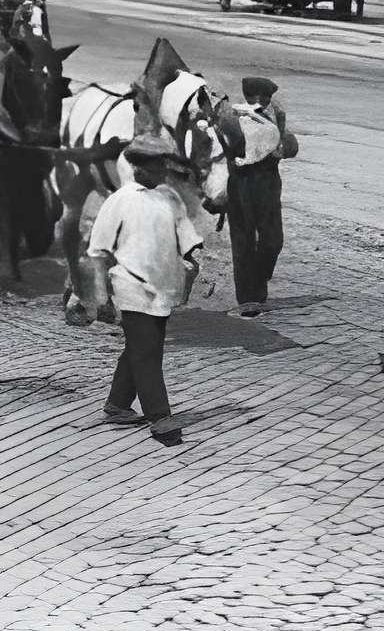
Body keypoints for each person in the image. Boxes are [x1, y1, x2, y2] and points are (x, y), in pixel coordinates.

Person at [85, 137, 198, 446]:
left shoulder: (170, 198)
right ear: (139, 167)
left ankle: (118, 404)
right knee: (147, 350)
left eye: (164, 164)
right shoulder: (120, 199)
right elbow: (97, 250)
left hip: (163, 287)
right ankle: (161, 419)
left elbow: (185, 237)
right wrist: (101, 295)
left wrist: (191, 260)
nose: (163, 170)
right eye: (157, 165)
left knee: (142, 346)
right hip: (129, 285)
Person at [214, 75, 300, 319]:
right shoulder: (232, 117)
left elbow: (290, 145)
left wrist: (282, 148)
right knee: (242, 246)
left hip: (269, 186)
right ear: (247, 96)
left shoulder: (276, 116)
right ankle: (249, 300)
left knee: (273, 241)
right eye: (255, 96)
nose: (260, 100)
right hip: (240, 185)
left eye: (265, 97)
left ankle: (259, 279)